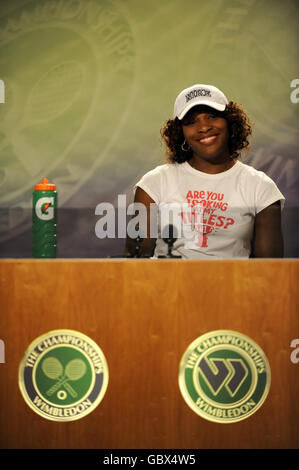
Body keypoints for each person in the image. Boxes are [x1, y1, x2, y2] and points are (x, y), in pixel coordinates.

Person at [126, 84, 285, 259]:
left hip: (234, 285)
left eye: (212, 116)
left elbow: (271, 272)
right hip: (167, 285)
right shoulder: (155, 183)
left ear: (230, 122)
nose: (203, 127)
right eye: (191, 121)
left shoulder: (260, 186)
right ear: (181, 133)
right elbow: (135, 263)